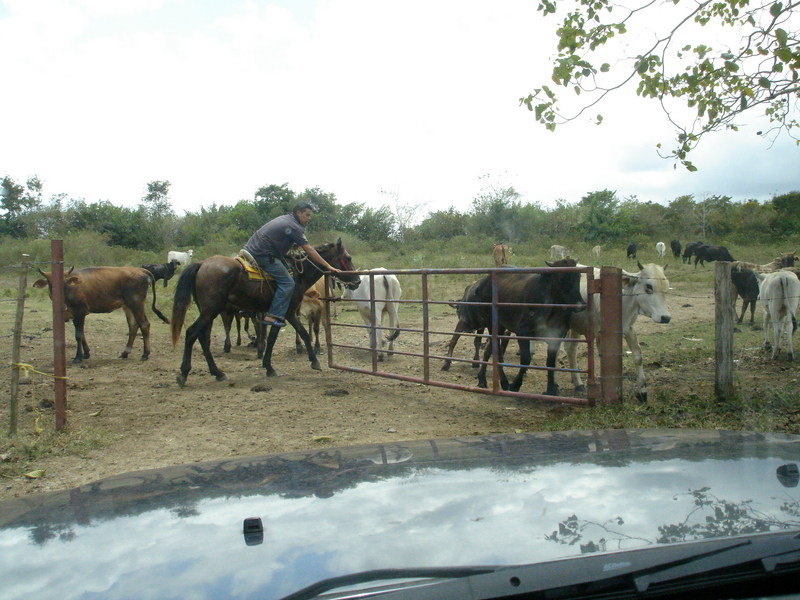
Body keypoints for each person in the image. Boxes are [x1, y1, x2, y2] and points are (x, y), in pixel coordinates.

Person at [244, 202, 342, 327]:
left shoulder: (285, 219)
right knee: (287, 282)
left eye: (310, 216)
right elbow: (309, 250)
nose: (308, 218)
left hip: (251, 250)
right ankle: (273, 315)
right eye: (307, 215)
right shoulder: (294, 226)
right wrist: (328, 266)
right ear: (298, 213)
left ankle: (250, 307)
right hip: (263, 254)